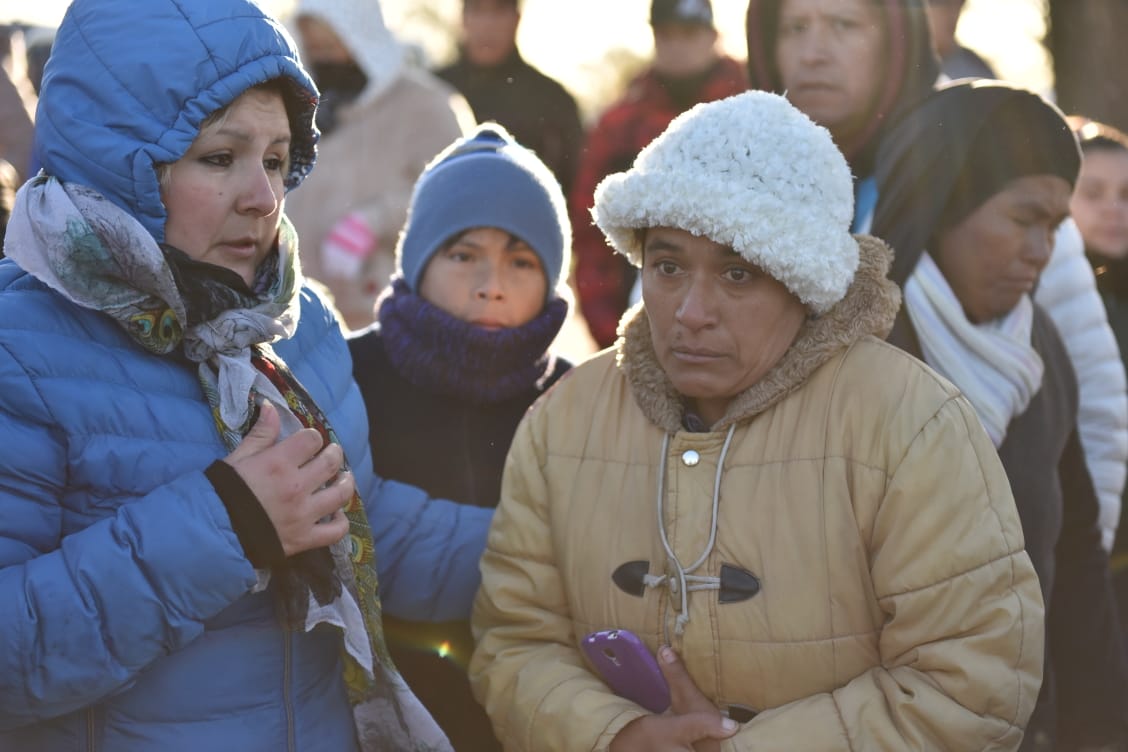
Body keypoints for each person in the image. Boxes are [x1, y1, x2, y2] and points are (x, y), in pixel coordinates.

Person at [470, 90, 1044, 752]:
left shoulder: (912, 425)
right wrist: (617, 736)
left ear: (803, 284)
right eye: (667, 266)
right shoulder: (563, 422)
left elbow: (973, 681)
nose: (691, 311)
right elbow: (514, 641)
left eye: (737, 274)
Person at [0, 0, 496, 748]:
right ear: (120, 162)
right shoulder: (23, 347)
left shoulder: (296, 327)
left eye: (274, 158)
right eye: (219, 157)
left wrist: (558, 544)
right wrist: (228, 525)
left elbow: (363, 529)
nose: (263, 198)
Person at [747, 0, 1128, 570]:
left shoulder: (988, 149)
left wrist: (1069, 576)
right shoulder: (734, 171)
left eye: (844, 25)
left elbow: (1092, 399)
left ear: (900, 36)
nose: (814, 50)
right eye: (795, 27)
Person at [872, 79, 1128, 752]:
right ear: (941, 204)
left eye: (1055, 227)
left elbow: (1074, 557)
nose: (1043, 253)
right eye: (1024, 219)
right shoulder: (852, 355)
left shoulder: (1039, 347)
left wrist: (1097, 731)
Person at [349, 123, 572, 751]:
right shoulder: (347, 378)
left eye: (521, 260)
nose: (491, 283)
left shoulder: (578, 404)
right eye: (463, 253)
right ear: (418, 263)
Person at [285, 0, 474, 331]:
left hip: (390, 312)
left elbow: (462, 192)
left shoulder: (424, 104)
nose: (324, 58)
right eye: (315, 47)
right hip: (301, 312)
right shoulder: (302, 105)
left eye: (332, 45)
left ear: (361, 38)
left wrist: (374, 222)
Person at [572, 0, 747, 349]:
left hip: (745, 335)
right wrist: (615, 335)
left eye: (689, 34)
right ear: (653, 36)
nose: (678, 46)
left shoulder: (755, 114)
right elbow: (591, 236)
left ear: (714, 35)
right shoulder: (617, 125)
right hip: (642, 334)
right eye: (668, 34)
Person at [1070, 118, 1128, 653]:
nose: (1114, 208)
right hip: (1087, 554)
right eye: (1094, 193)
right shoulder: (1053, 304)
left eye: (1126, 195)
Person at [435, 0, 583, 200]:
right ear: (463, 18)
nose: (488, 24)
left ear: (516, 18)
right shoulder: (433, 92)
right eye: (477, 10)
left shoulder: (552, 100)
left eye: (499, 12)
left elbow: (572, 188)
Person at [925, 0, 997, 80]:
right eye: (943, 2)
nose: (953, 13)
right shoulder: (910, 70)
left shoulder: (976, 69)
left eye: (960, 3)